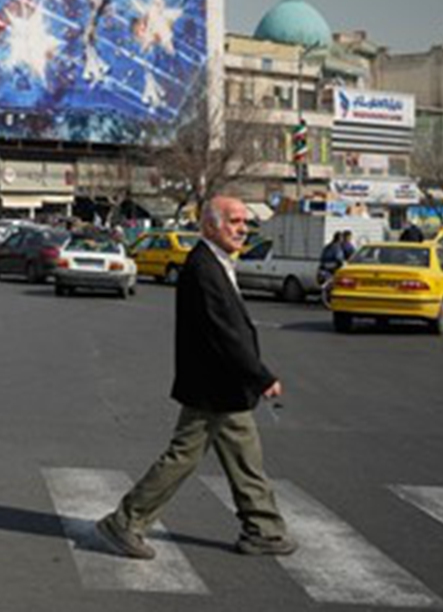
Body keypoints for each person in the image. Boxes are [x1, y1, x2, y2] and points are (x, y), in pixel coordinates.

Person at [96, 196, 296, 559]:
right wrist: (261, 375)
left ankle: (264, 528)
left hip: (225, 385)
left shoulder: (217, 262)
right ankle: (125, 521)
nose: (242, 229)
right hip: (212, 386)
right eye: (233, 221)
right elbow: (224, 333)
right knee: (183, 457)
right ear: (208, 226)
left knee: (246, 456)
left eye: (245, 222)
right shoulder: (203, 267)